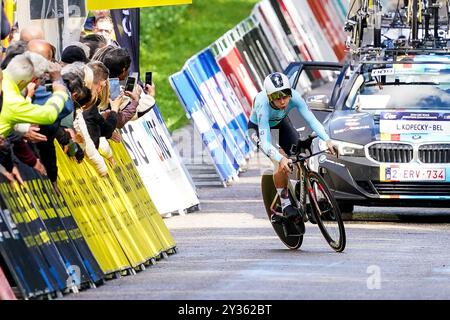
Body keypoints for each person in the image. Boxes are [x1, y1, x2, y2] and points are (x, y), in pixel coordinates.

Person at [247, 72, 336, 233]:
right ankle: (285, 203)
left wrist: (327, 139)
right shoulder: (262, 104)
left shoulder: (295, 96)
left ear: (290, 92)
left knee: (301, 151)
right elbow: (266, 142)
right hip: (260, 129)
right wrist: (280, 158)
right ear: (268, 96)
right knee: (279, 160)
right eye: (277, 97)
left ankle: (306, 189)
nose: (282, 101)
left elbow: (311, 119)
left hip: (281, 123)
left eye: (285, 95)